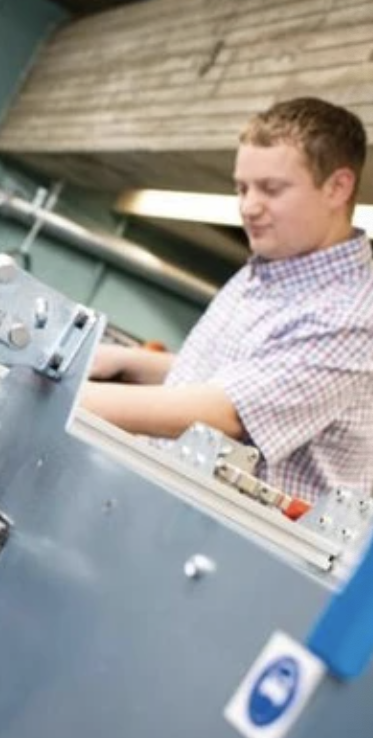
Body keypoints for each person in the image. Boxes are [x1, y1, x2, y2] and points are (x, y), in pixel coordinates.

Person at [81, 97, 373, 500]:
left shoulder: (351, 313)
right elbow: (246, 374)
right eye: (242, 188)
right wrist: (134, 362)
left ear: (337, 187)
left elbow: (227, 412)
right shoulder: (274, 262)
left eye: (272, 189)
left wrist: (69, 397)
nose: (249, 207)